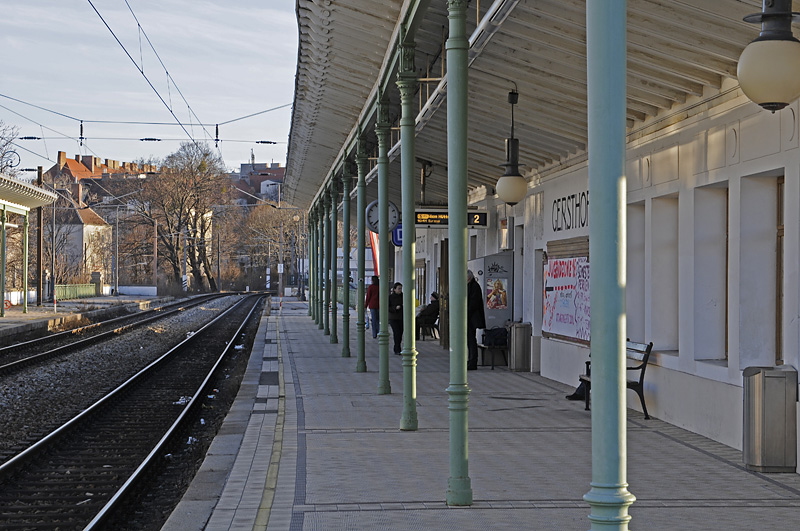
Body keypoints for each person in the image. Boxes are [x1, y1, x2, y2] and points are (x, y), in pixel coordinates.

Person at [466, 270, 486, 370]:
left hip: (472, 318)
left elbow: (473, 303)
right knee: (469, 340)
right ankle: (470, 360)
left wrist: (465, 312)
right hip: (470, 317)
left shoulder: (474, 287)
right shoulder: (471, 286)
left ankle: (473, 361)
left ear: (469, 277)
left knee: (471, 340)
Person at [388, 282, 404, 355]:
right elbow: (388, 307)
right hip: (393, 318)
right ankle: (397, 349)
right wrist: (395, 308)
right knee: (396, 333)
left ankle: (398, 347)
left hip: (401, 317)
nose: (400, 290)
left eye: (401, 288)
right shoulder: (390, 297)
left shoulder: (403, 296)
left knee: (400, 333)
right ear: (394, 289)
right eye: (398, 288)